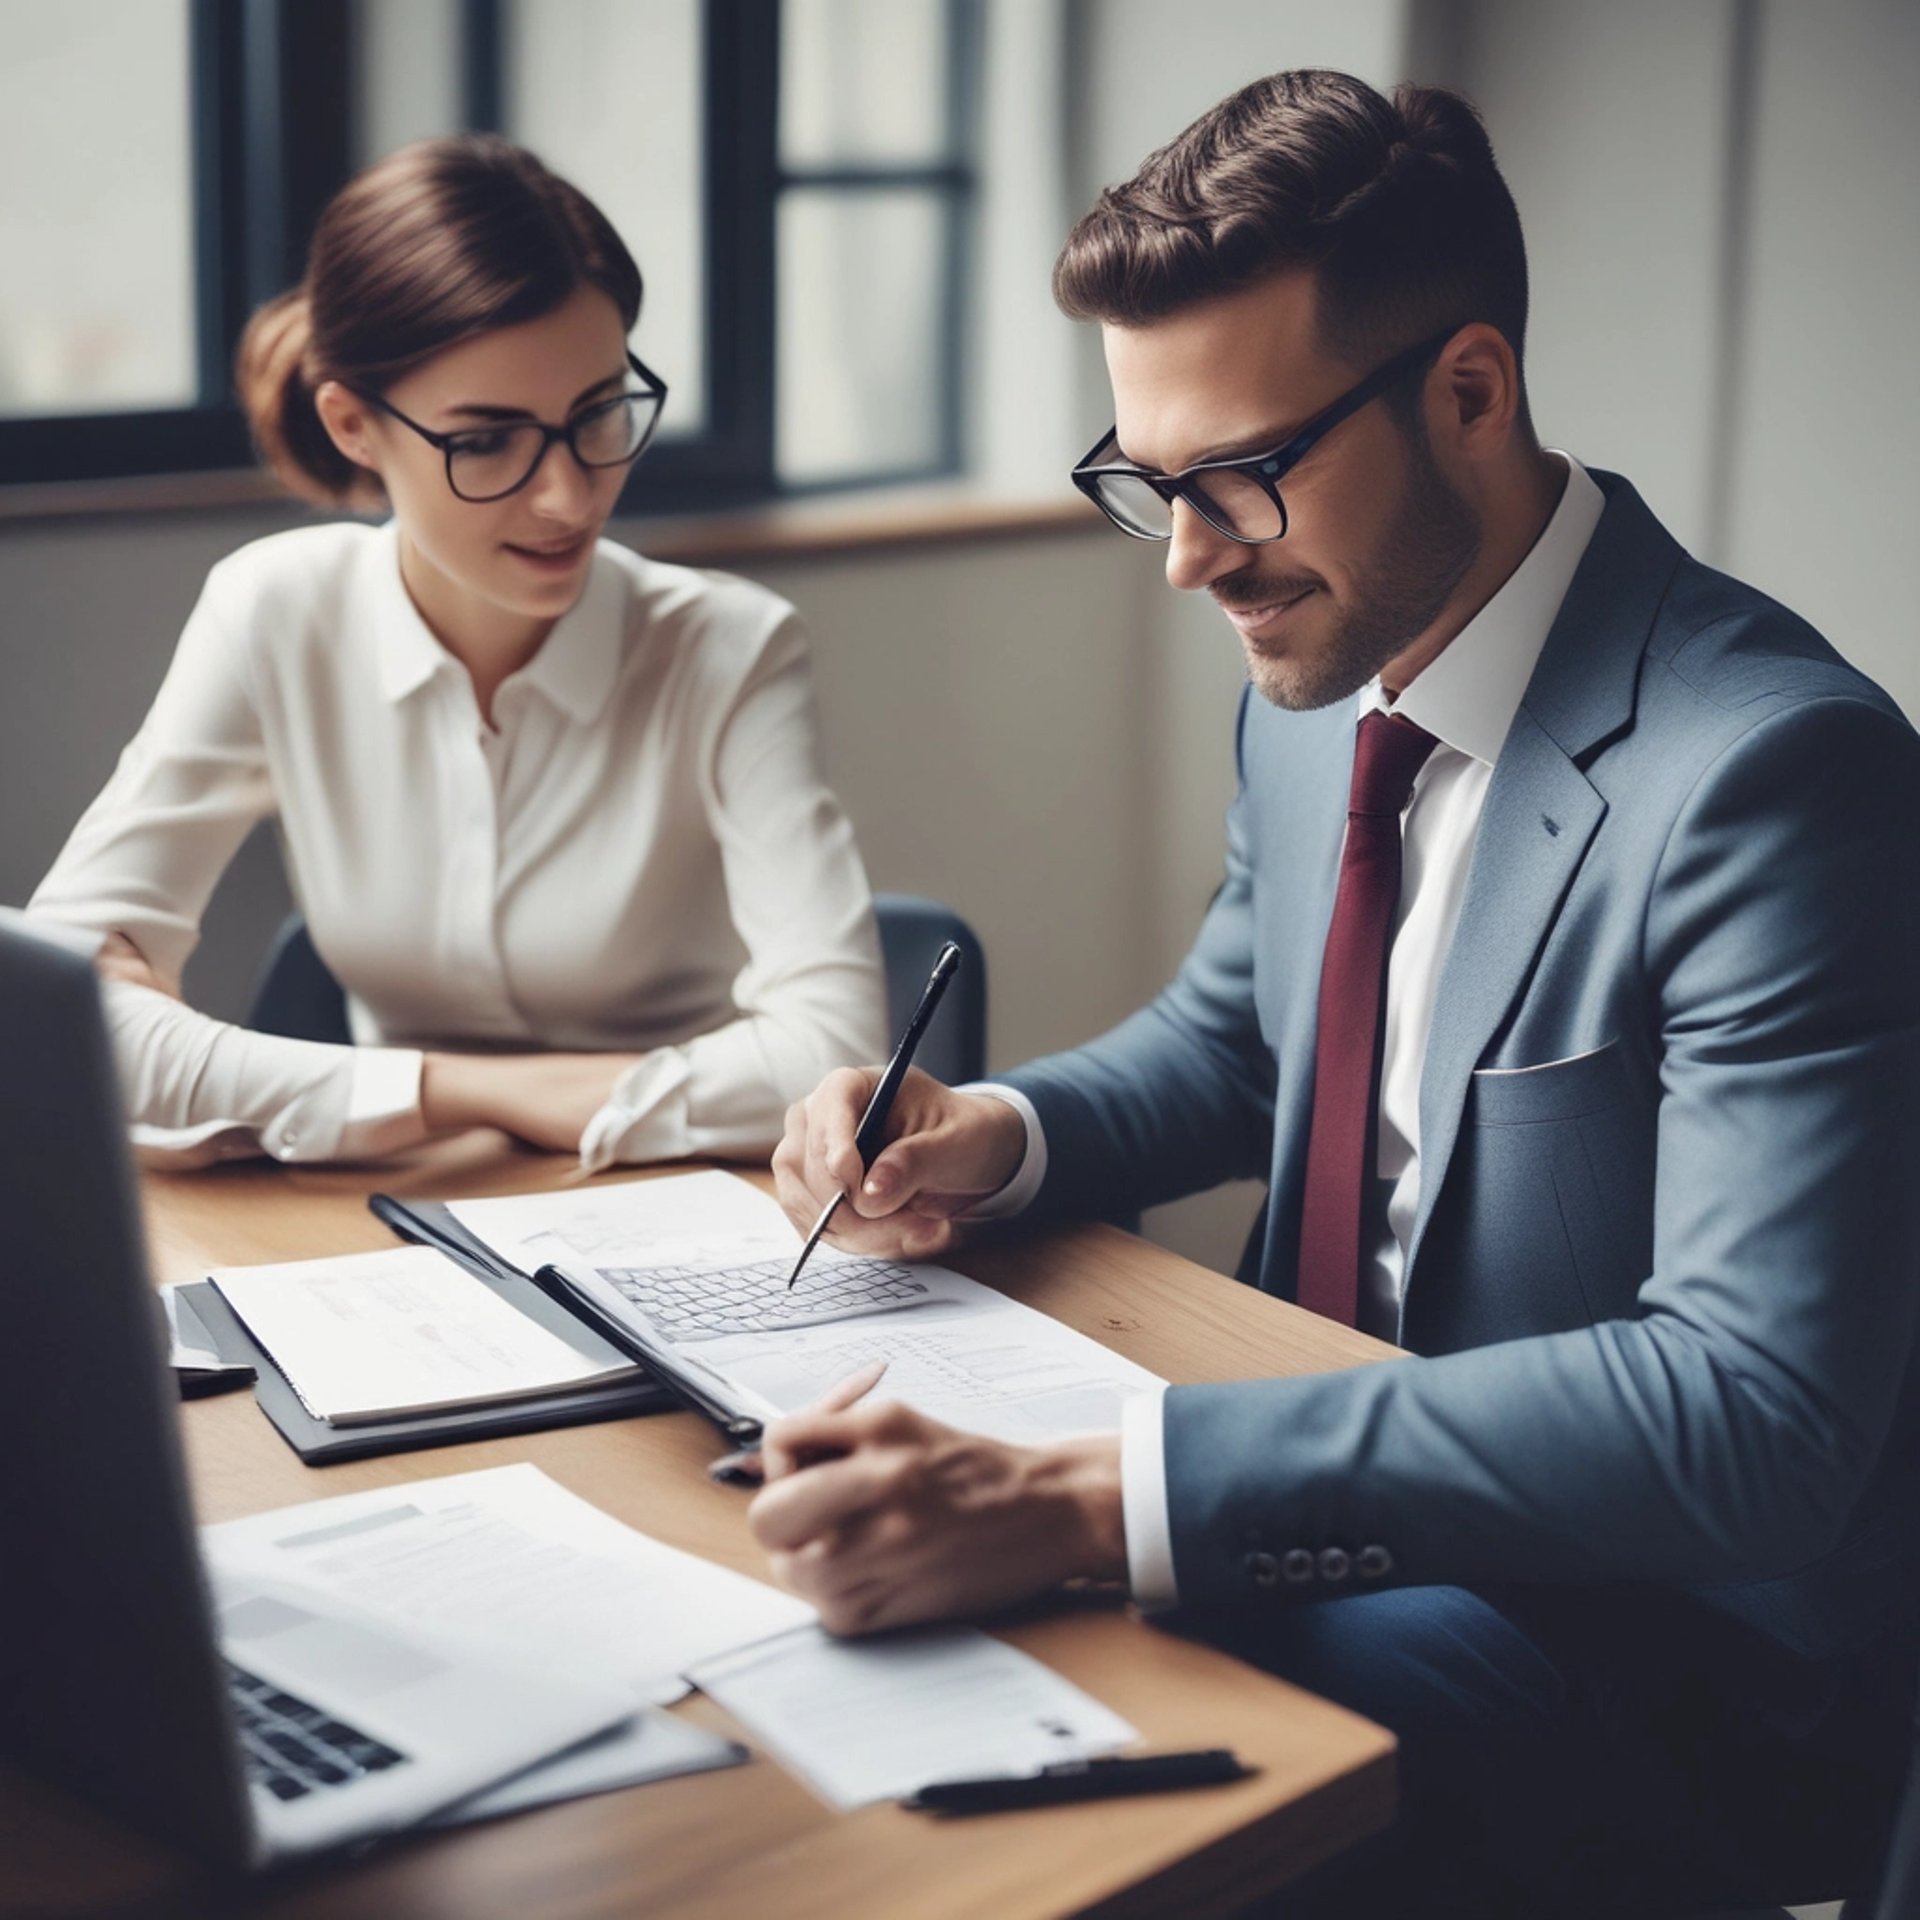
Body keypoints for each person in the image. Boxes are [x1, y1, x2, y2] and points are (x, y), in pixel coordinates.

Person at [757, 70, 1920, 1916]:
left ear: (1470, 391)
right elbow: (1239, 1040)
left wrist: (1092, 1495)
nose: (1194, 561)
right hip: (1316, 1508)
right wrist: (998, 1129)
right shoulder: (1321, 682)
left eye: (1240, 478)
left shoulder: (1778, 776)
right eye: (1151, 485)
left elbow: (1750, 1417)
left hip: (1650, 1668)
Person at [30, 136, 885, 1173]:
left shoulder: (730, 649)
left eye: (598, 414)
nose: (569, 498)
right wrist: (462, 1088)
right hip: (391, 1219)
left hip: (682, 1211)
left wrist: (315, 1087)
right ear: (352, 424)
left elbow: (833, 1059)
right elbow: (56, 1017)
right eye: (486, 440)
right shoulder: (275, 613)